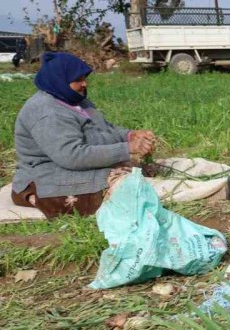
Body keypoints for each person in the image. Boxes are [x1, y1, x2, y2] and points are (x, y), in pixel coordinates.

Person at [11, 52, 157, 218]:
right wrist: (127, 148)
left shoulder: (75, 100)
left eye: (84, 78)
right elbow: (72, 155)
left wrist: (130, 135)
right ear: (60, 81)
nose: (84, 83)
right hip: (48, 171)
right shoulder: (46, 112)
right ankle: (31, 194)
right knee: (123, 185)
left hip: (71, 163)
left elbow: (104, 129)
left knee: (133, 173)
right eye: (78, 80)